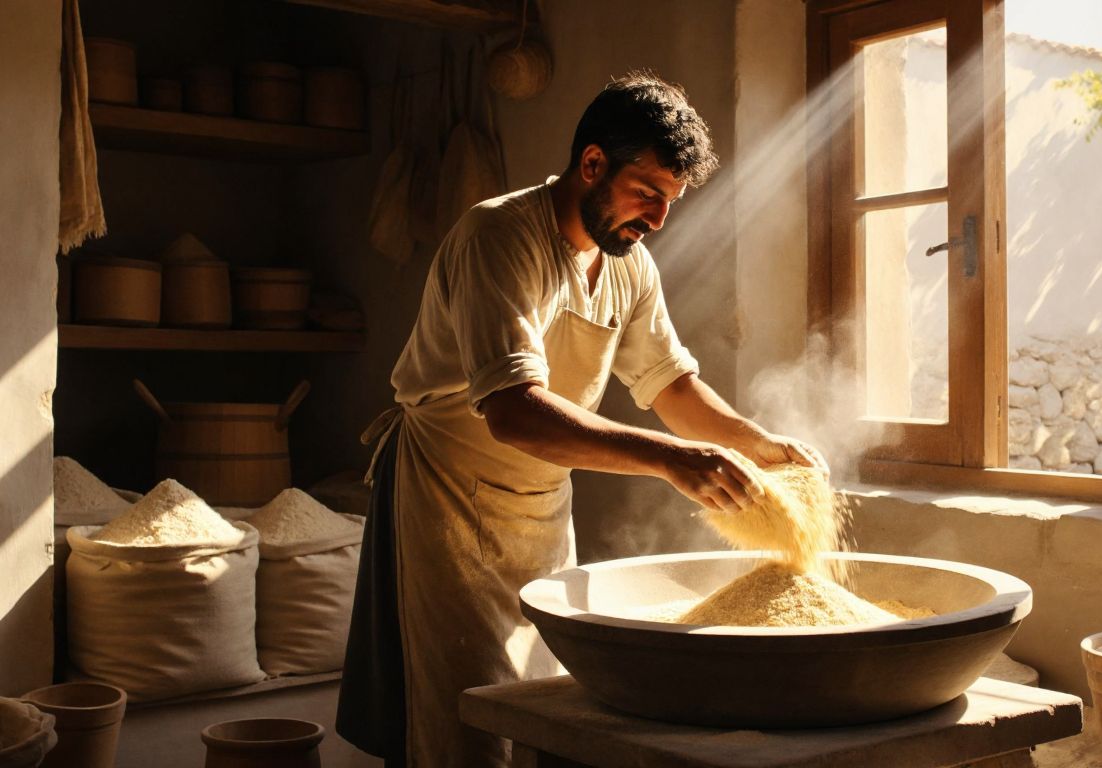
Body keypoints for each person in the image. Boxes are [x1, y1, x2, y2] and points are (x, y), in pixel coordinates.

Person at [336, 71, 827, 767]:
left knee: (544, 700)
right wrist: (671, 459)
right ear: (592, 164)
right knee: (467, 711)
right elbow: (513, 412)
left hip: (540, 499)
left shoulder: (629, 264)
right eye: (647, 194)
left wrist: (761, 445)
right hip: (448, 495)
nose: (657, 219)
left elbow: (671, 384)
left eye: (670, 203)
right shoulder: (499, 236)